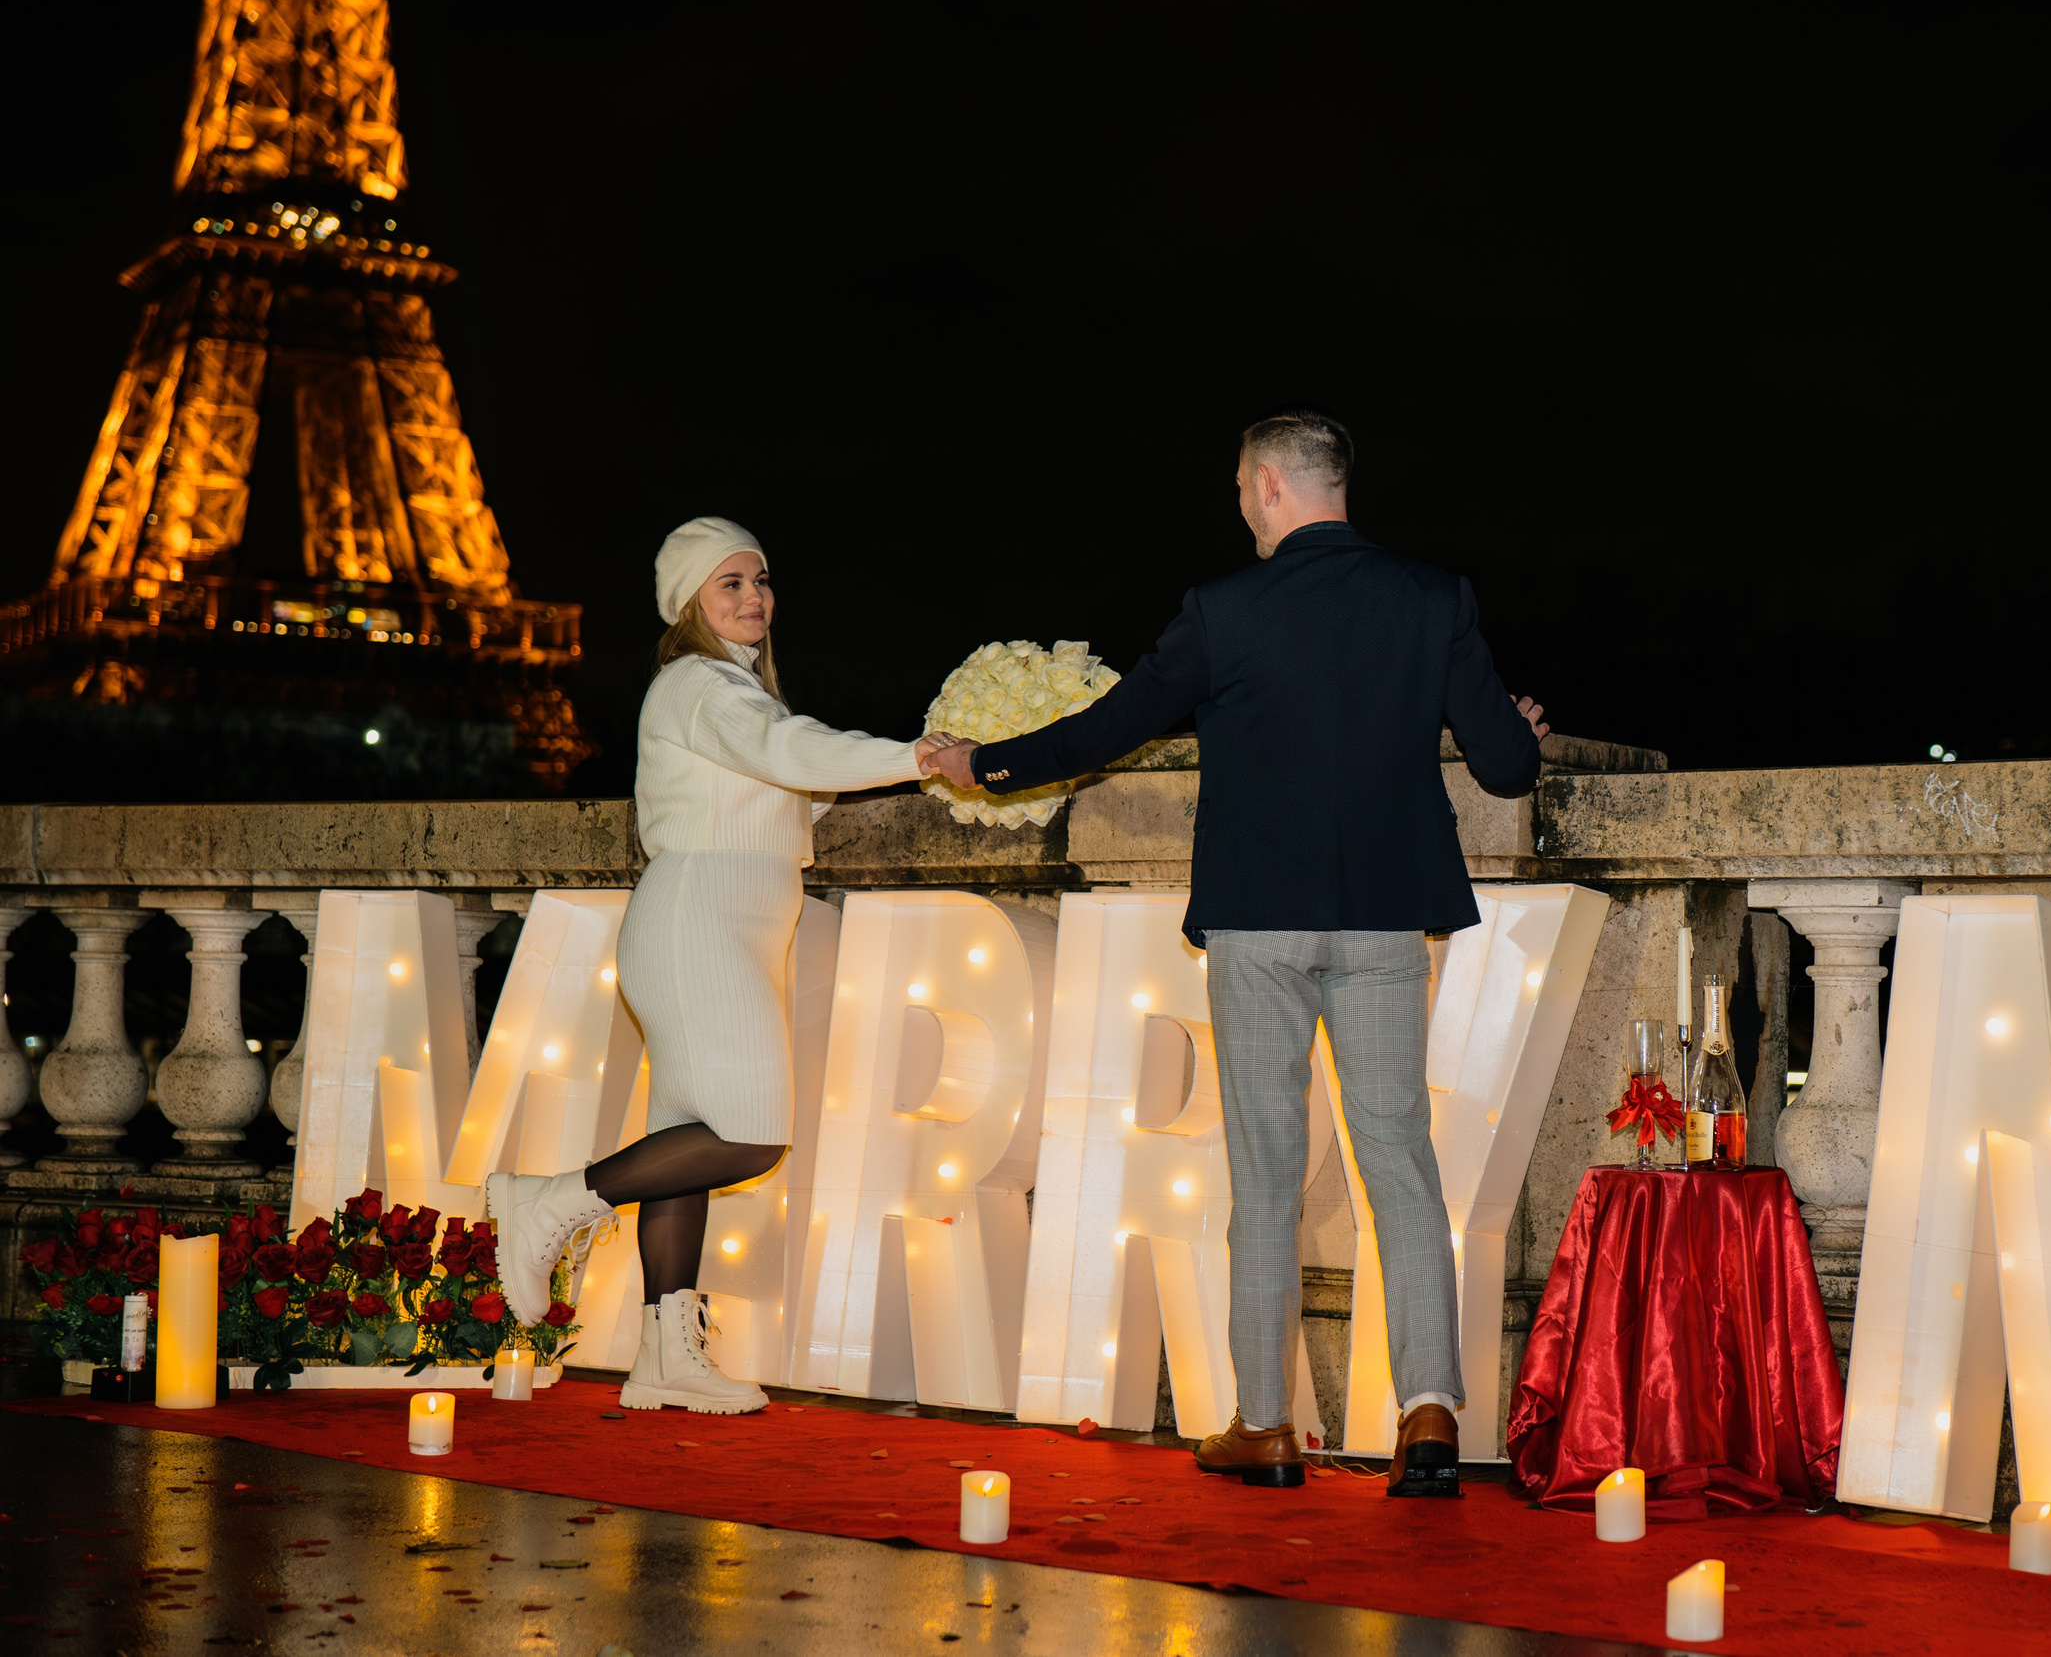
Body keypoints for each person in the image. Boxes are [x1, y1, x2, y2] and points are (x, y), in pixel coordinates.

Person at [924, 413, 1546, 1496]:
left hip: (1259, 921)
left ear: (1266, 487)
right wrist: (1518, 727)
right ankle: (1431, 1413)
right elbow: (1503, 769)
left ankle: (1265, 1427)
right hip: (1384, 922)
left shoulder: (1224, 611)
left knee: (1263, 1173)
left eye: (1239, 490)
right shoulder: (1432, 598)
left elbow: (1108, 729)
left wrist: (986, 764)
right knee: (1398, 1163)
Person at [488, 517, 952, 1415]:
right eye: (730, 583)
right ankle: (547, 1201)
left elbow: (788, 774)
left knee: (690, 1150)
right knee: (751, 1133)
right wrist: (918, 755)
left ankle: (665, 1355)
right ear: (689, 602)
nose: (754, 596)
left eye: (762, 579)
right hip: (697, 926)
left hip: (724, 928)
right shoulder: (698, 685)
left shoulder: (736, 693)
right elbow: (791, 753)